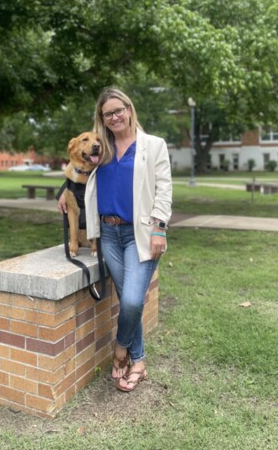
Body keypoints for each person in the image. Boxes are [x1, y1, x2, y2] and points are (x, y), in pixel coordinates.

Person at [58, 87, 172, 392]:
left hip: (141, 233)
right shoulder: (101, 148)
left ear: (130, 109)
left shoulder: (153, 145)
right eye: (107, 113)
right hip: (108, 234)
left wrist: (160, 228)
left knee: (133, 300)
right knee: (128, 303)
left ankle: (120, 351)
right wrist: (63, 192)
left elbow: (164, 188)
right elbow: (78, 170)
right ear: (102, 119)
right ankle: (139, 363)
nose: (114, 116)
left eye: (118, 110)